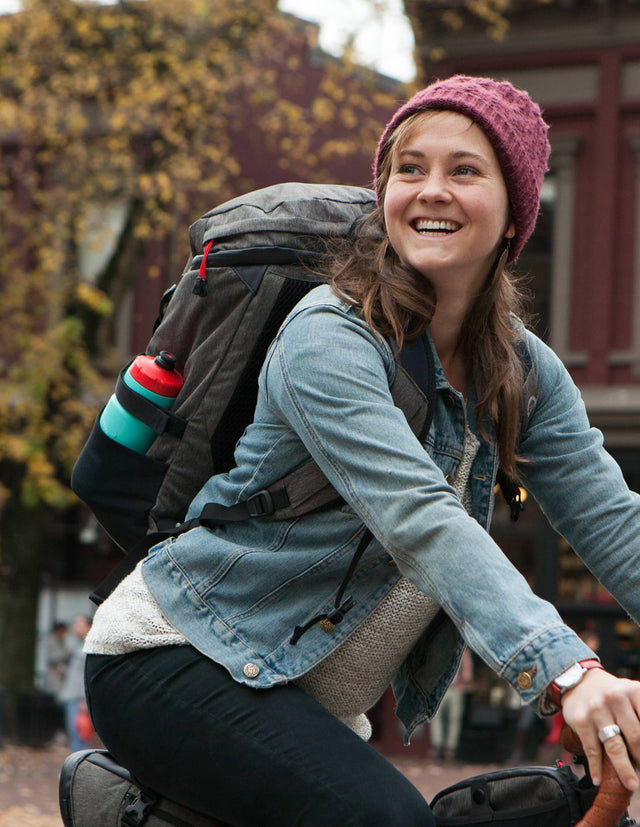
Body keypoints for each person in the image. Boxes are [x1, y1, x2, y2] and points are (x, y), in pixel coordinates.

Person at [83, 75, 640, 826]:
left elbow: (615, 523)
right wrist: (566, 669)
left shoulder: (525, 371)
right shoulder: (330, 335)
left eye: (464, 171)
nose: (431, 190)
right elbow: (419, 517)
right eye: (410, 169)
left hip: (295, 697)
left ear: (516, 213)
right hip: (174, 658)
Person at [429, 647, 473, 762]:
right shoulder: (438, 647)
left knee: (454, 718)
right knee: (437, 717)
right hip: (440, 687)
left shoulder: (462, 649)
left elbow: (467, 671)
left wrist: (463, 683)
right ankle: (439, 746)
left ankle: (449, 748)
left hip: (454, 688)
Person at [58, 615, 92, 752]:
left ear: (88, 627)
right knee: (73, 732)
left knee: (80, 732)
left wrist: (86, 700)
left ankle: (80, 765)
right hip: (70, 694)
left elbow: (88, 675)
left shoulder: (91, 647)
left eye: (79, 625)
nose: (75, 628)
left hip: (79, 698)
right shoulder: (76, 645)